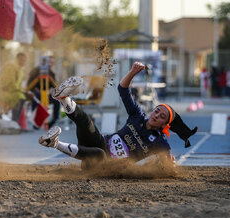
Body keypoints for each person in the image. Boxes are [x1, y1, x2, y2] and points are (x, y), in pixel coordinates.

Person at [38, 62, 198, 169]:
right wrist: (133, 72)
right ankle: (63, 98)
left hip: (103, 167)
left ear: (164, 125)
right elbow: (123, 89)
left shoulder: (160, 141)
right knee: (86, 122)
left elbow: (169, 166)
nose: (156, 115)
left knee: (99, 154)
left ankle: (54, 143)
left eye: (162, 116)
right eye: (157, 111)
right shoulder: (138, 115)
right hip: (100, 142)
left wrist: (171, 165)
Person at [27, 56, 60, 129]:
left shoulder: (51, 74)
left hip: (47, 94)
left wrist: (50, 92)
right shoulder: (35, 71)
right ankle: (36, 123)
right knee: (36, 97)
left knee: (57, 101)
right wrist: (35, 90)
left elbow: (54, 87)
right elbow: (29, 84)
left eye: (52, 63)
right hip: (35, 93)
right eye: (49, 62)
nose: (50, 64)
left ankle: (53, 121)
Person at [0, 52, 27, 122]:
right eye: (21, 60)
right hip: (3, 90)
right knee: (18, 97)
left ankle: (15, 121)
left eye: (24, 60)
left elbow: (18, 84)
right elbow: (11, 83)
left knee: (22, 97)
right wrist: (20, 91)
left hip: (13, 90)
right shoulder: (12, 67)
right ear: (17, 59)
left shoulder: (20, 69)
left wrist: (23, 90)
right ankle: (14, 121)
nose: (22, 62)